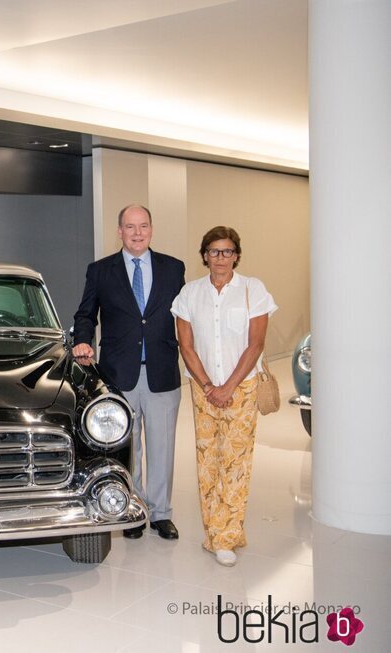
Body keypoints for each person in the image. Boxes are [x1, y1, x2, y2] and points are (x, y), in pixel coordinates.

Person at [73, 204, 185, 540]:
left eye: (144, 226)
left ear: (151, 229)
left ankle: (161, 513)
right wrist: (82, 341)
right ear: (119, 231)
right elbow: (85, 314)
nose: (137, 233)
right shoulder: (101, 271)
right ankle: (132, 510)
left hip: (162, 373)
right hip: (119, 374)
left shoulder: (173, 268)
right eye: (130, 227)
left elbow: (188, 316)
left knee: (162, 447)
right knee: (126, 447)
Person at [171, 226, 277, 567]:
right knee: (208, 461)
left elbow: (255, 344)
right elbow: (185, 345)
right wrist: (207, 387)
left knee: (235, 463)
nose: (221, 258)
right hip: (203, 389)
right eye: (214, 251)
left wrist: (228, 386)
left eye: (228, 251)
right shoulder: (189, 294)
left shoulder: (253, 289)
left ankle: (225, 536)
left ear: (236, 255)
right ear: (204, 255)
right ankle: (219, 529)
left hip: (241, 389)